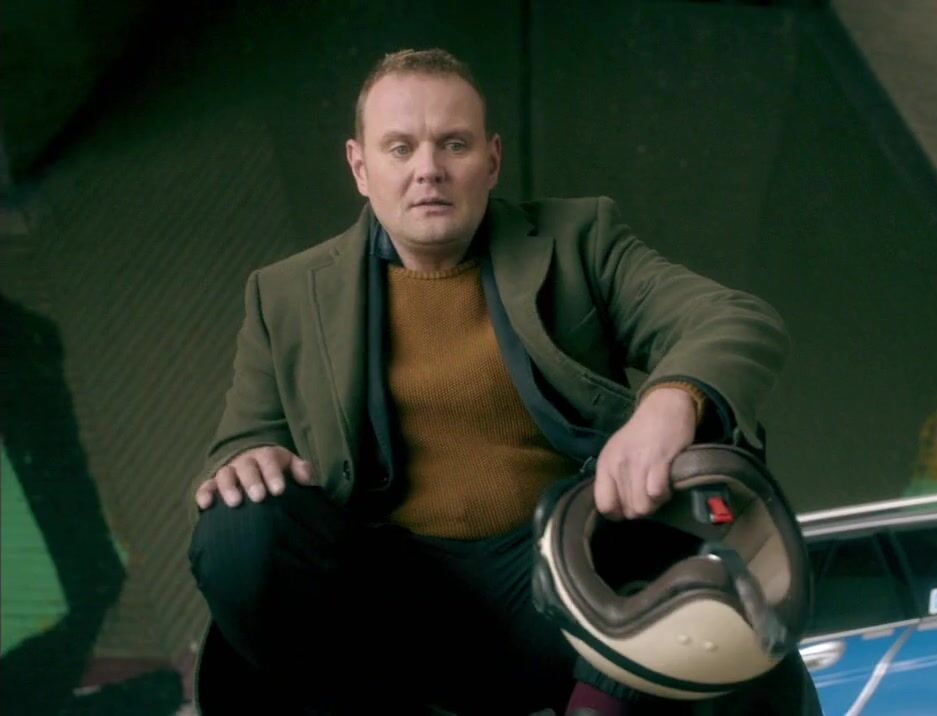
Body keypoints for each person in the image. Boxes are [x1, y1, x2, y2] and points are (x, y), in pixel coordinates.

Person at [187, 48, 812, 715]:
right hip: (389, 600)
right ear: (360, 167)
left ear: (491, 160)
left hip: (563, 574)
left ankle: (600, 705)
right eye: (400, 148)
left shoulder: (580, 239)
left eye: (453, 144)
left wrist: (668, 404)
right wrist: (246, 460)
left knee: (678, 542)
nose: (428, 168)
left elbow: (733, 319)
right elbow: (242, 444)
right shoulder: (282, 295)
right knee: (239, 525)